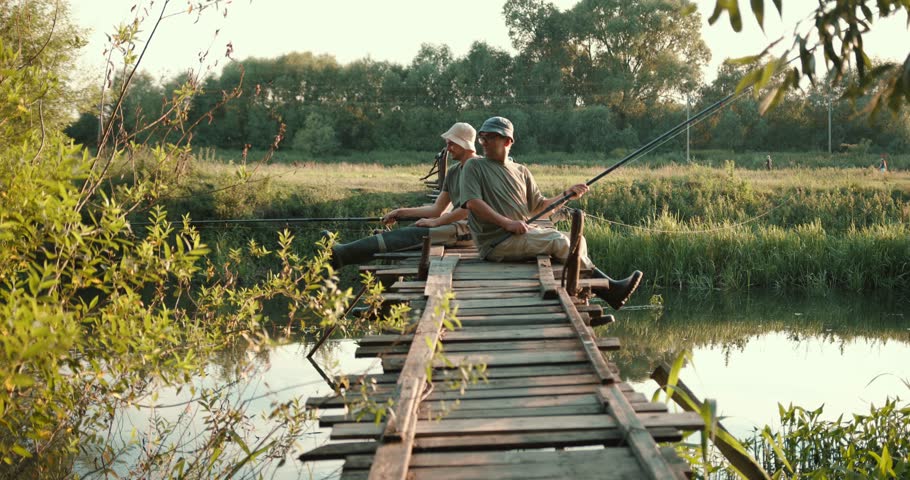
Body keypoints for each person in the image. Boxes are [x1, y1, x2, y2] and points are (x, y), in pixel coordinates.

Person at [460, 116, 642, 310]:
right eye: (482, 137)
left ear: (507, 141)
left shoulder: (521, 171)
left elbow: (539, 206)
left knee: (579, 241)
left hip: (520, 235)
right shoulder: (474, 166)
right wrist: (507, 223)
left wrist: (566, 195)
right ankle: (611, 289)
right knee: (559, 241)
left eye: (490, 137)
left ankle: (585, 290)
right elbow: (473, 203)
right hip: (497, 241)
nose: (484, 142)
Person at [325, 122, 479, 267]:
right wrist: (400, 212)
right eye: (447, 143)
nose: (448, 148)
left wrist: (436, 222)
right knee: (410, 231)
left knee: (414, 235)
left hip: (470, 230)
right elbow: (437, 209)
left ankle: (341, 254)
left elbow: (469, 209)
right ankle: (342, 255)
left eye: (452, 143)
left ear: (465, 145)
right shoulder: (453, 172)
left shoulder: (480, 168)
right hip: (454, 225)